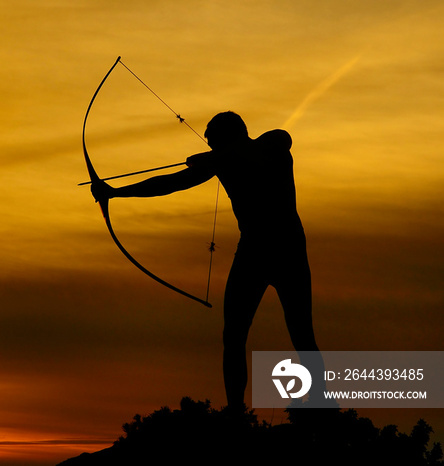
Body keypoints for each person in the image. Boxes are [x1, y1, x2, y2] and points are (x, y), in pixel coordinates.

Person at [91, 111, 325, 411]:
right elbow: (170, 183)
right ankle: (235, 412)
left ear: (230, 135)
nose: (211, 147)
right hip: (252, 249)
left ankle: (321, 403)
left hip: (286, 248)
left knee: (302, 332)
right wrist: (115, 192)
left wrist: (211, 157)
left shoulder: (271, 143)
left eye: (213, 141)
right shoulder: (220, 161)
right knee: (233, 335)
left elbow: (268, 144)